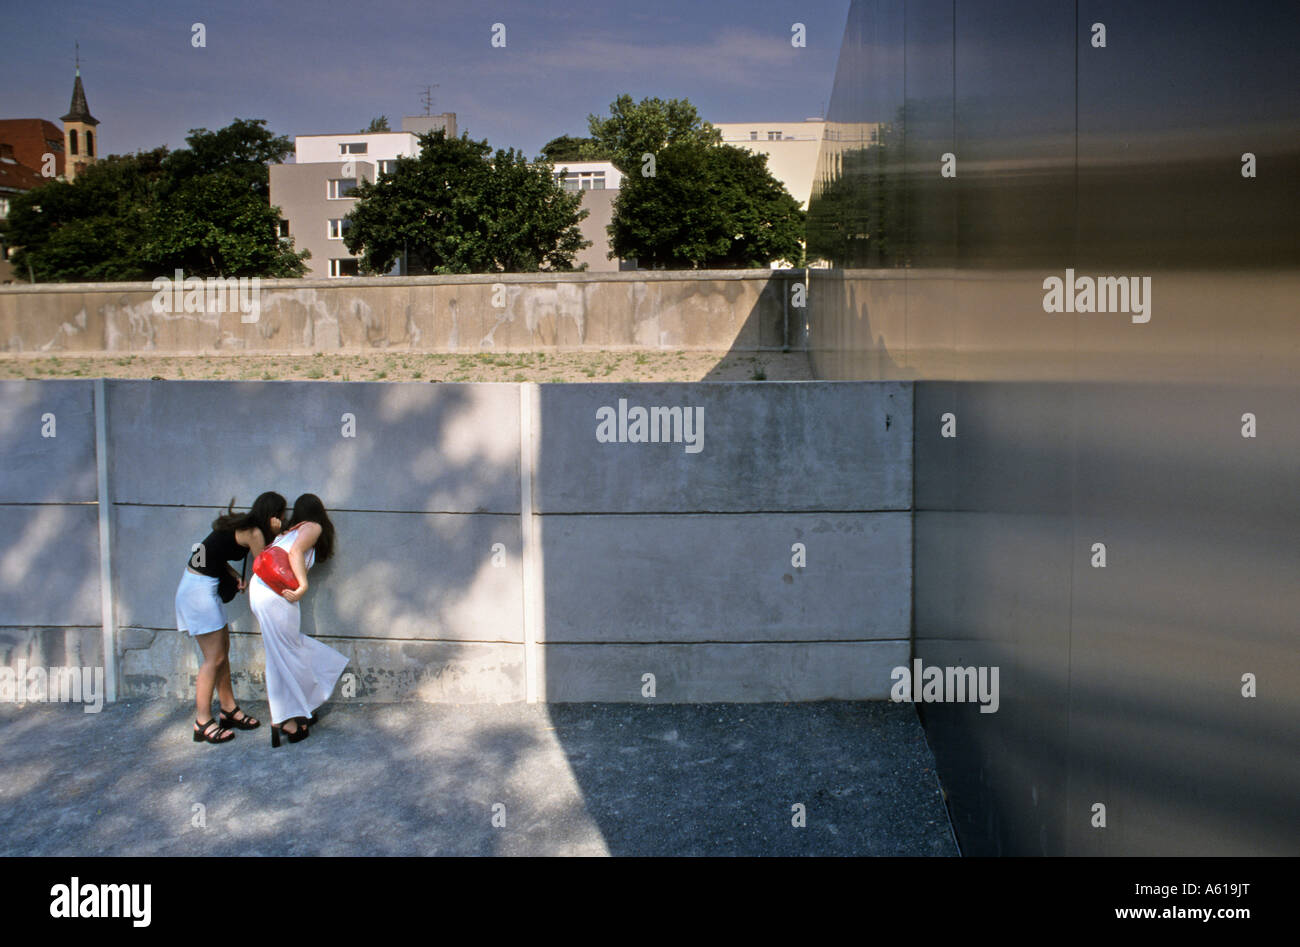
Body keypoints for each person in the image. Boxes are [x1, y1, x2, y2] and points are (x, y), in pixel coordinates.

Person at [176, 492, 286, 744]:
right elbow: (266, 566)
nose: (283, 518)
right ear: (273, 515)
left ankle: (229, 710)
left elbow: (209, 552)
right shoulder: (255, 533)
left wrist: (231, 572)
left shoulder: (241, 525)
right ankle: (202, 721)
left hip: (203, 587)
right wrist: (278, 536)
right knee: (213, 659)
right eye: (282, 514)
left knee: (222, 655)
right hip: (198, 593)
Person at [249, 493, 348, 747]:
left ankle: (286, 716)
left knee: (281, 654)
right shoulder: (312, 527)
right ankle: (287, 719)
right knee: (288, 653)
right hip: (276, 595)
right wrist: (303, 586)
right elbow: (295, 553)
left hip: (262, 590)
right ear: (319, 512)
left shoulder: (287, 532)